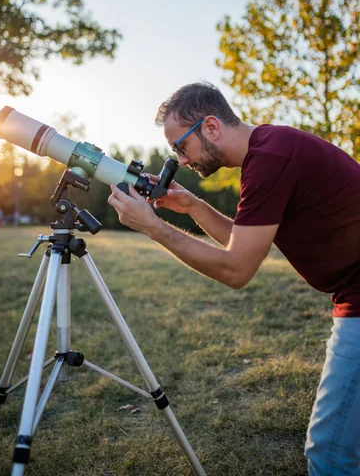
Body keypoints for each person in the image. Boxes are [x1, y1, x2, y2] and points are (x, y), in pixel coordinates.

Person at [108, 82, 360, 476]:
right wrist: (191, 206)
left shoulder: (270, 159)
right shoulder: (268, 151)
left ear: (210, 126)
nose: (180, 159)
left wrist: (154, 228)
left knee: (329, 455)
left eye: (180, 147)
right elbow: (244, 243)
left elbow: (236, 269)